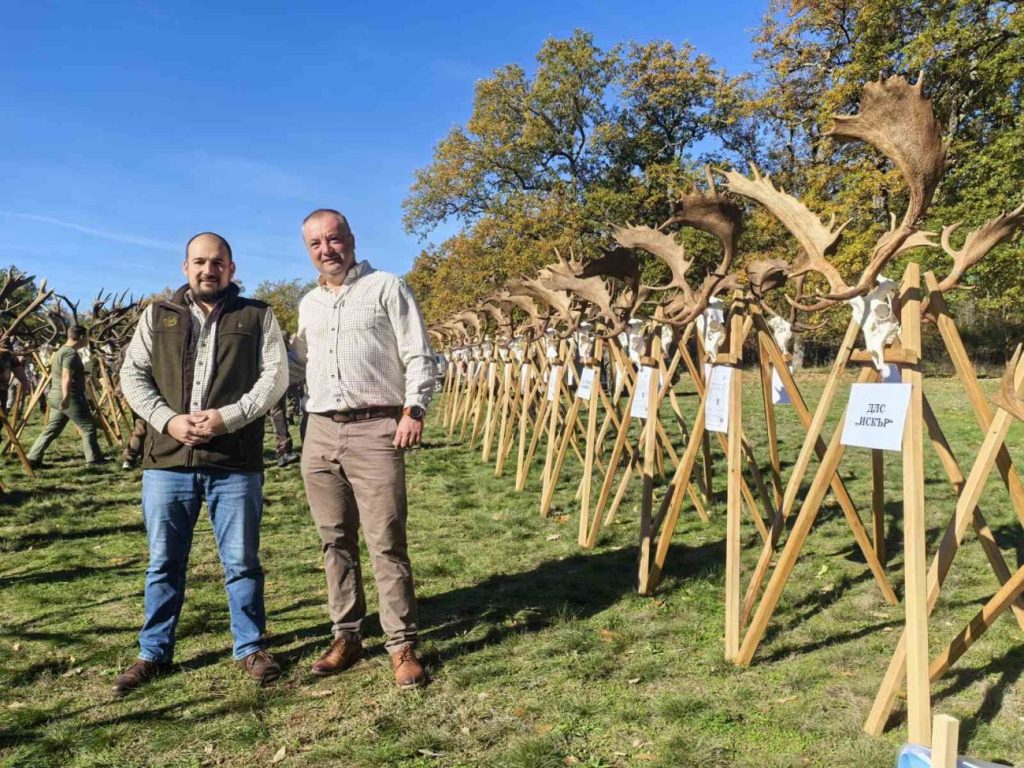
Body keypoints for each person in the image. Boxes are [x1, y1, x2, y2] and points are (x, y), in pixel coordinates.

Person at [115, 232, 288, 696]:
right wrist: (167, 421)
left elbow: (276, 377)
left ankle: (249, 646)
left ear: (231, 269)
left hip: (234, 461)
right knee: (163, 562)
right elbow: (132, 375)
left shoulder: (257, 315)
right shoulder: (158, 316)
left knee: (241, 562)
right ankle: (153, 651)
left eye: (217, 262)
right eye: (199, 262)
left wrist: (228, 418)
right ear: (185, 267)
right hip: (167, 462)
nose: (208, 270)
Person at [294, 208, 435, 688]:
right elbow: (297, 365)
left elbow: (419, 352)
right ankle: (347, 635)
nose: (326, 250)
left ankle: (402, 645)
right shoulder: (307, 304)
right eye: (315, 244)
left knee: (386, 541)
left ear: (351, 239)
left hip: (377, 427)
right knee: (334, 539)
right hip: (320, 430)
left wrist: (413, 410)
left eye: (333, 239)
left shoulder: (387, 288)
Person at [26, 326, 105, 467]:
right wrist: (67, 397)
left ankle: (32, 458)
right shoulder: (70, 354)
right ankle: (94, 460)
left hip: (55, 395)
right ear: (81, 337)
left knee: (52, 429)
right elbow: (66, 375)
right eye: (86, 336)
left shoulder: (59, 352)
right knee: (88, 427)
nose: (87, 340)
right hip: (70, 396)